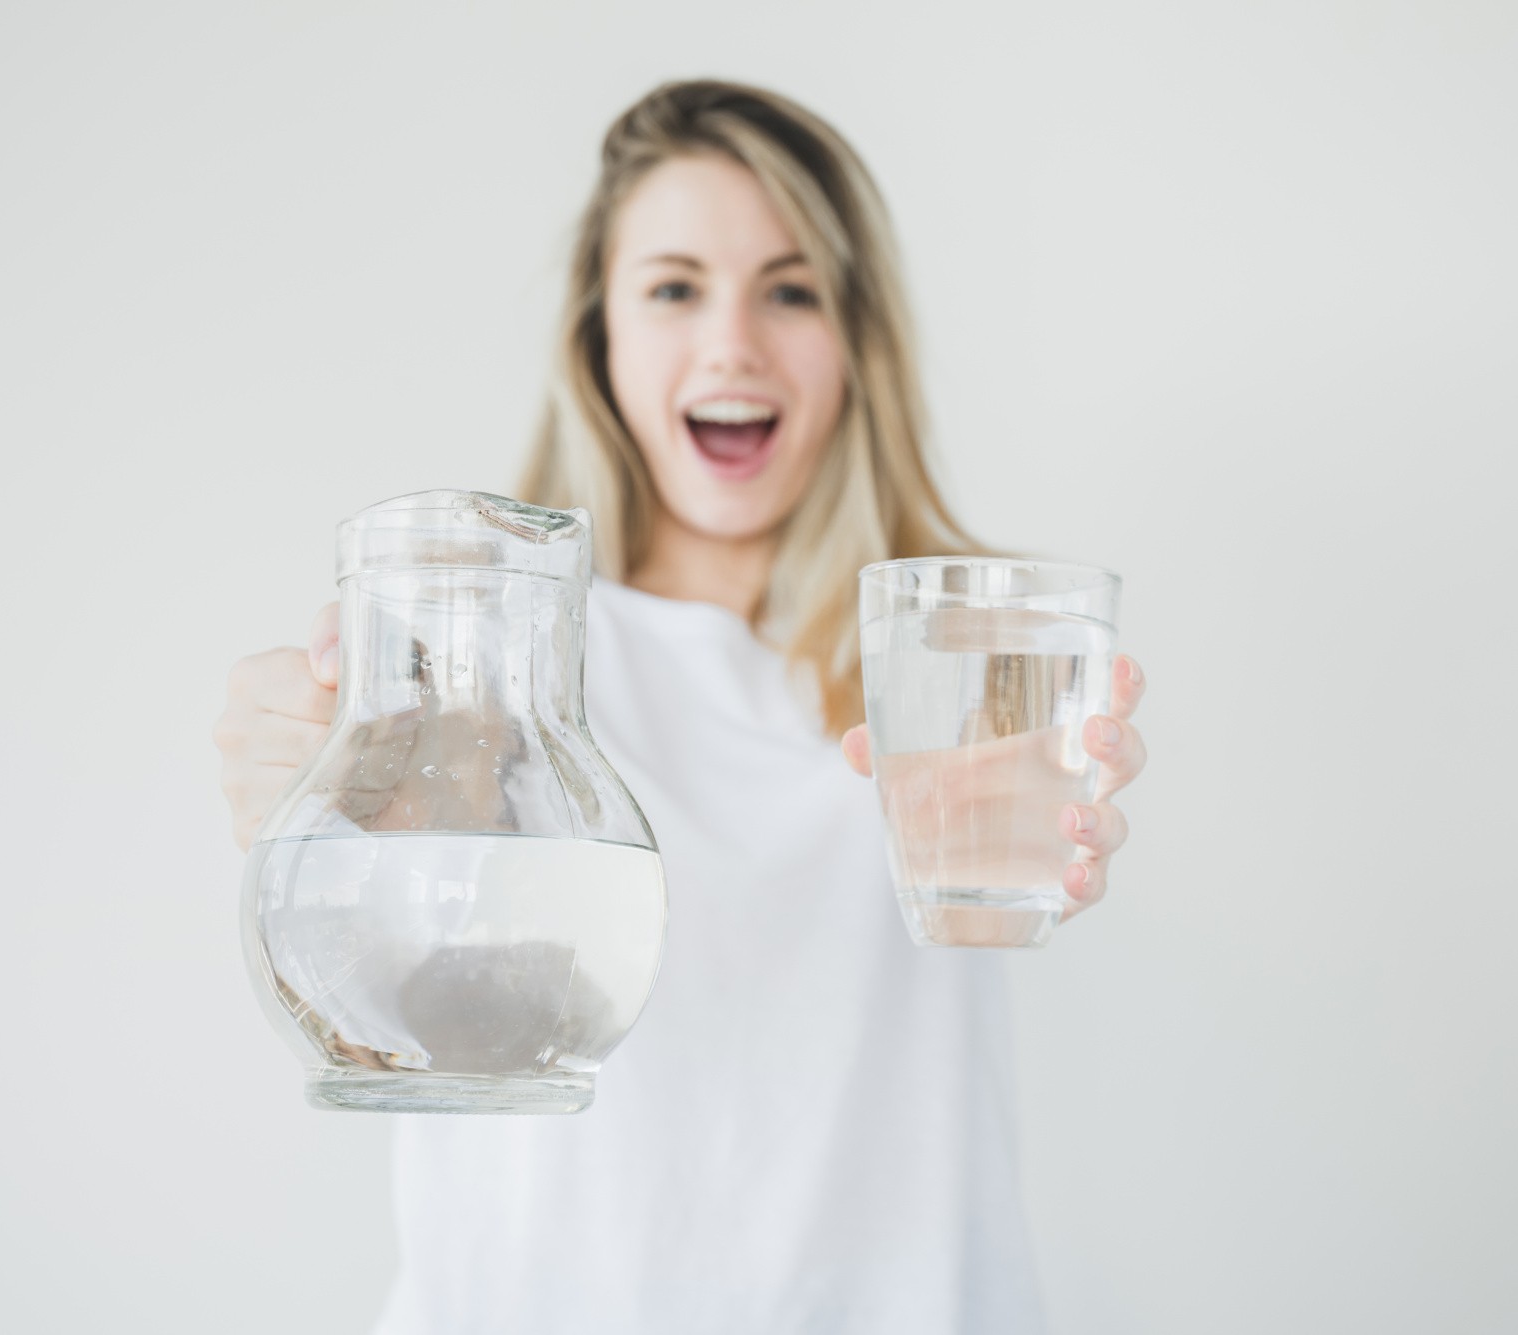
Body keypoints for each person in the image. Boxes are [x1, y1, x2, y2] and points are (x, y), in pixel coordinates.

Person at [214, 79, 1149, 1333]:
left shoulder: (954, 659)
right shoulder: (488, 664)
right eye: (672, 287)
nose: (732, 347)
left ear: (855, 340)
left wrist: (1052, 815)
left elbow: (1011, 855)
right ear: (597, 334)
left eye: (790, 288)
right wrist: (317, 796)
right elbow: (406, 976)